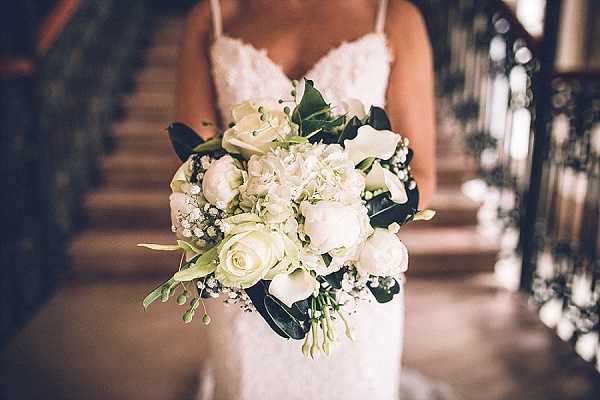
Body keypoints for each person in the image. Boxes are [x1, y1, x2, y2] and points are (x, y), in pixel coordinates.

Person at [175, 1, 438, 399]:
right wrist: (265, 229)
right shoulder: (212, 16)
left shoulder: (394, 17)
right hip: (245, 277)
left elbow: (421, 178)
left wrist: (330, 230)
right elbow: (190, 170)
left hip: (355, 288)